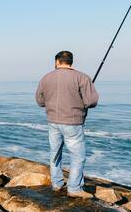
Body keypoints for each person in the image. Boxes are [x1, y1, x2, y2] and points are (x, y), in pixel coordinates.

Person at [35, 51, 99, 198]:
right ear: (71, 62)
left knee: (55, 153)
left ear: (57, 62)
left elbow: (39, 101)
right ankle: (74, 188)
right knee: (77, 156)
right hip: (73, 122)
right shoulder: (82, 77)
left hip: (53, 122)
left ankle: (57, 184)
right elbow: (91, 101)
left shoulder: (46, 78)